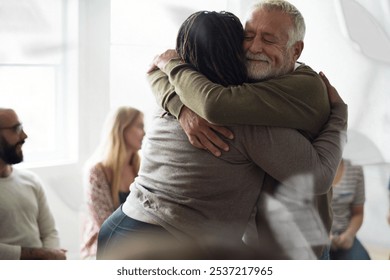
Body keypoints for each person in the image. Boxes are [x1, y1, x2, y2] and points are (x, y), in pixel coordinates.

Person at [96, 10, 347, 260]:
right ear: (235, 51)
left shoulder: (193, 94)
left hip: (121, 225)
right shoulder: (233, 114)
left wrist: (172, 76)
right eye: (248, 37)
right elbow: (320, 174)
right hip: (165, 244)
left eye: (269, 39)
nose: (254, 47)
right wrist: (182, 106)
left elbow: (206, 99)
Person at [0, 108, 66, 260]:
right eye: (16, 129)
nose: (24, 136)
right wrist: (42, 256)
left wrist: (48, 261)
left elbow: (49, 232)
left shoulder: (31, 180)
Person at [81, 106, 145, 259]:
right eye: (140, 126)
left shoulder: (141, 168)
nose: (145, 133)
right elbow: (105, 225)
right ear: (122, 129)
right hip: (105, 247)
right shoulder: (97, 172)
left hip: (139, 243)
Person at [329, 159, 370, 260]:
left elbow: (358, 213)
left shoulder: (355, 169)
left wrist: (349, 234)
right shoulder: (308, 168)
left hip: (344, 235)